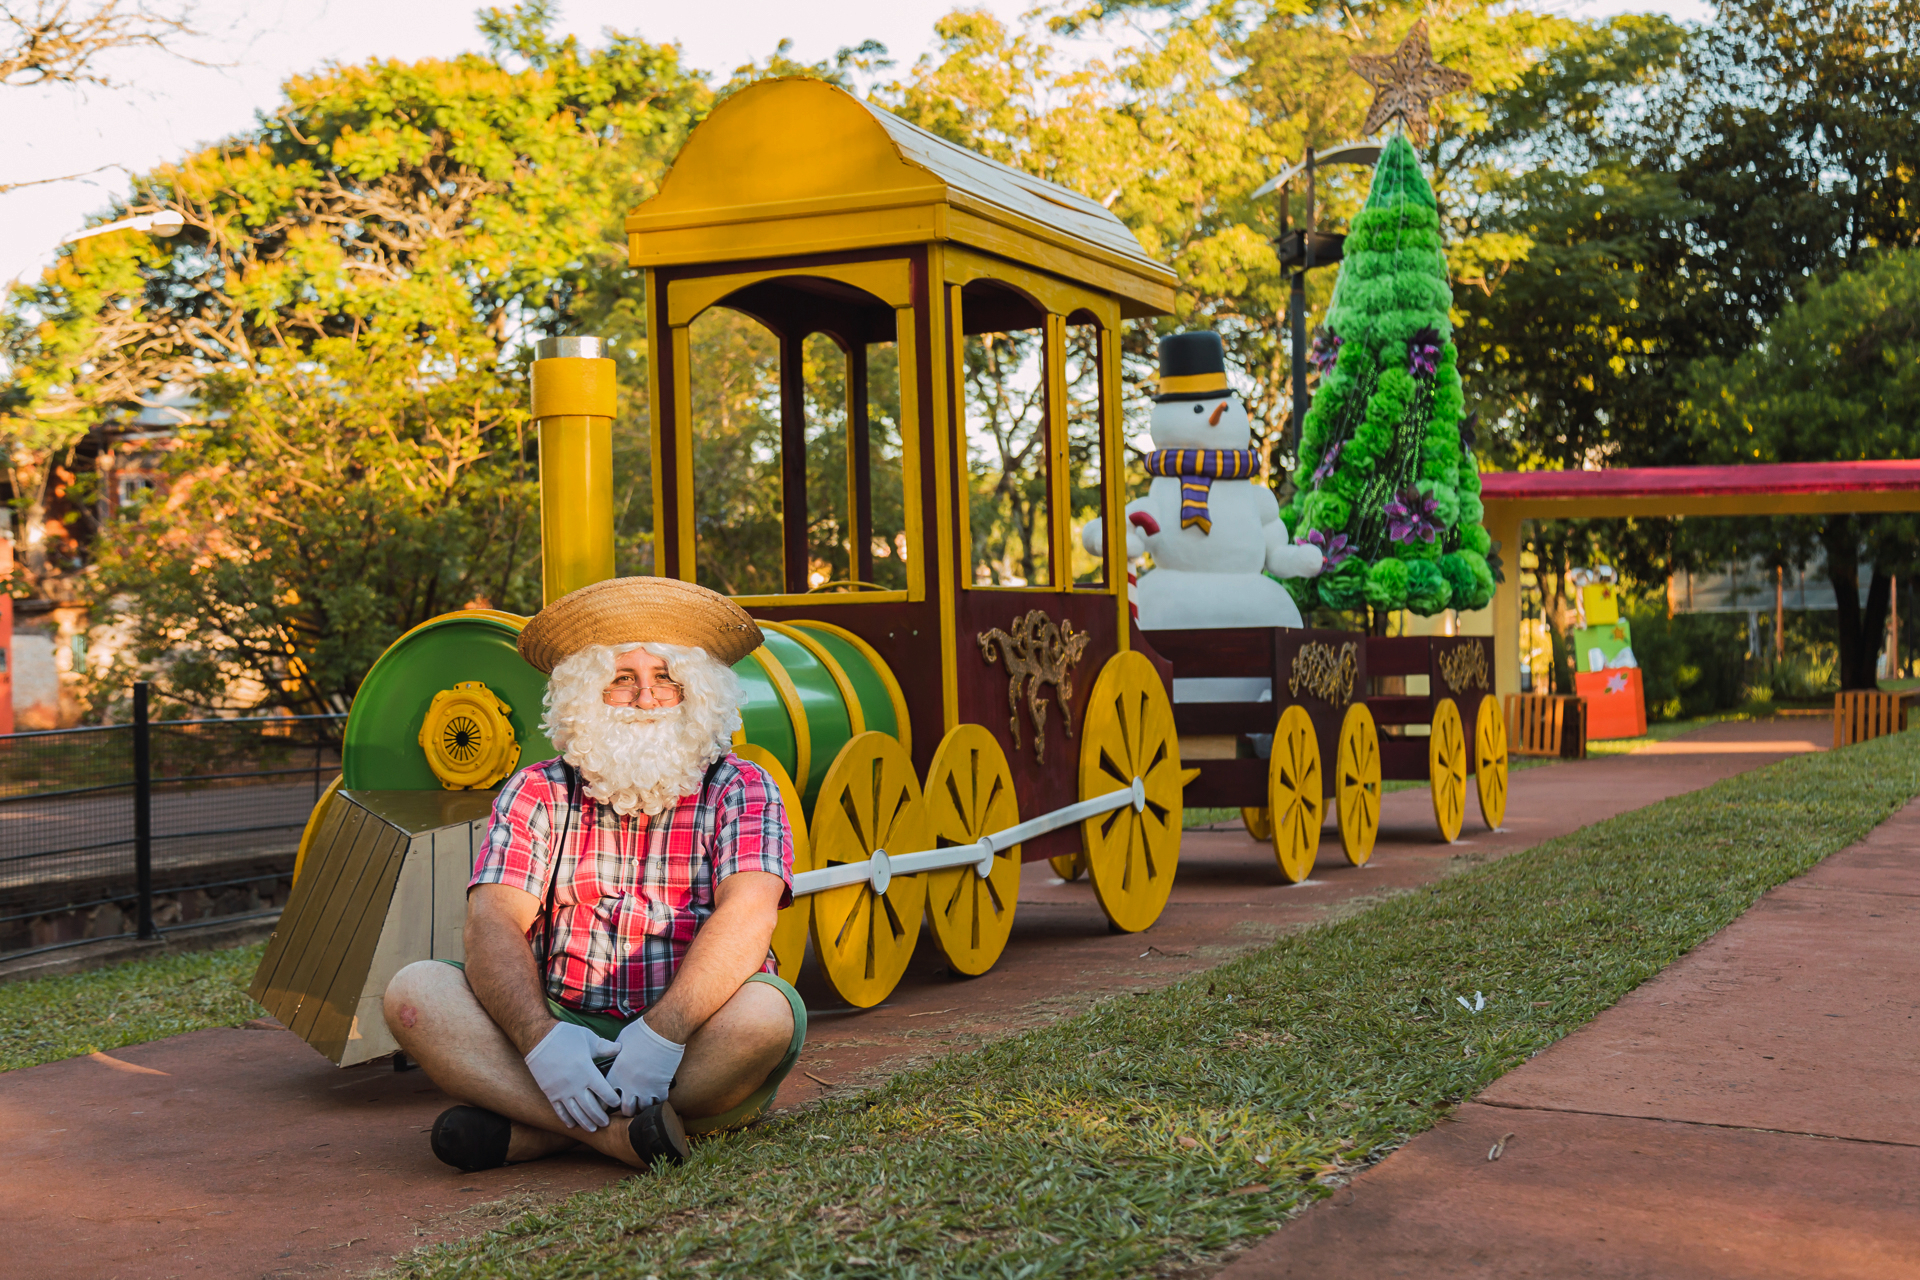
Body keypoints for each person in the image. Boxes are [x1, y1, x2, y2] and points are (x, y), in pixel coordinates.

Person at [383, 576, 803, 1173]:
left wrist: (662, 1034)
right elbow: (493, 919)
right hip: (561, 1021)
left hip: (695, 1032)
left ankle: (540, 1130)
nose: (646, 698)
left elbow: (750, 913)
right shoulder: (539, 789)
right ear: (586, 693)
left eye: (667, 678)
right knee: (414, 994)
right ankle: (626, 1134)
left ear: (696, 691)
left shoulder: (742, 786)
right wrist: (541, 1041)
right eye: (622, 679)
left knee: (766, 1016)